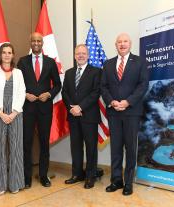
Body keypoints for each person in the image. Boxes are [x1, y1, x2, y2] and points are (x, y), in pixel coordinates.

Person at [101, 33, 149, 196]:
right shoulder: (107, 64)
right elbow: (104, 87)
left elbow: (143, 85)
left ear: (130, 44)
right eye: (119, 42)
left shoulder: (140, 62)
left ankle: (128, 182)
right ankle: (116, 180)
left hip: (131, 112)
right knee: (115, 148)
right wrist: (112, 101)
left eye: (125, 41)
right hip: (114, 112)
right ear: (115, 45)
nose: (122, 44)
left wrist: (128, 102)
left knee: (130, 148)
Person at [17, 32, 61, 188]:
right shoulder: (22, 62)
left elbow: (57, 84)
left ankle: (43, 176)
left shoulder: (50, 62)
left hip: (44, 109)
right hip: (27, 109)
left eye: (39, 41)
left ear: (42, 43)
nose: (36, 43)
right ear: (30, 43)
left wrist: (49, 94)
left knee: (44, 144)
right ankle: (26, 178)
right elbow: (16, 84)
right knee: (26, 144)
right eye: (34, 41)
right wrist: (24, 94)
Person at [0, 43, 26, 195]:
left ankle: (15, 183)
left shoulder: (19, 73)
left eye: (9, 52)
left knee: (16, 149)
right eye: (4, 52)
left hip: (16, 113)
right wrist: (1, 113)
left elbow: (22, 92)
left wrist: (14, 112)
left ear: (13, 55)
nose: (7, 55)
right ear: (0, 55)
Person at [62, 44, 101, 189]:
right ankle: (77, 174)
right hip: (73, 116)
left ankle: (91, 176)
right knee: (76, 147)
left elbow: (96, 92)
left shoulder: (96, 72)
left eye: (83, 53)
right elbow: (64, 92)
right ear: (74, 55)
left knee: (91, 147)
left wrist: (80, 107)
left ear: (88, 55)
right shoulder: (69, 72)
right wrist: (72, 108)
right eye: (78, 53)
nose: (80, 55)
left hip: (89, 116)